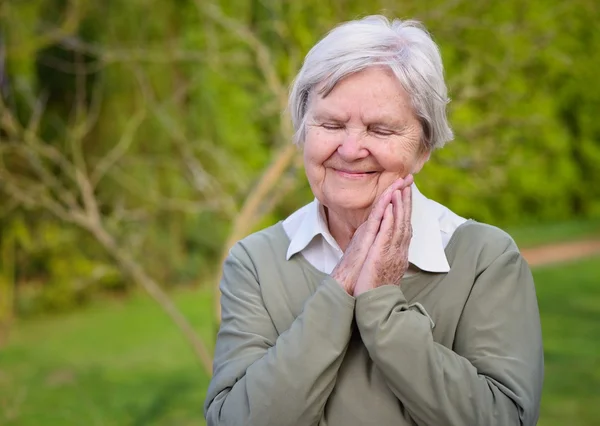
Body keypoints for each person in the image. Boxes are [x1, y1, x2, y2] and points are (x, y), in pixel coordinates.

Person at [204, 15, 544, 426]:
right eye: (330, 124)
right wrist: (339, 289)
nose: (350, 149)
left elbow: (504, 418)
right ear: (302, 134)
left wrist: (381, 305)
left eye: (380, 130)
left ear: (423, 148)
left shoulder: (485, 260)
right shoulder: (256, 263)